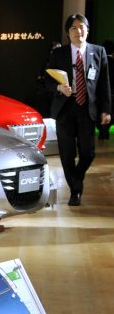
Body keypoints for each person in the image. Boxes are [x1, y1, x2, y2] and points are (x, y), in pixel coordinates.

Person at [45, 13, 111, 206]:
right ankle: (76, 191)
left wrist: (106, 109)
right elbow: (47, 81)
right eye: (73, 28)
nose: (78, 31)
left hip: (87, 109)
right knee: (67, 154)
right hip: (65, 108)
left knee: (88, 152)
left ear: (87, 30)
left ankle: (75, 177)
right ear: (68, 32)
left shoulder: (98, 52)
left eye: (81, 27)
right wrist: (59, 87)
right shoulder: (59, 53)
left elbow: (104, 84)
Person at [99, 39, 114, 141]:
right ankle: (105, 130)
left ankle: (101, 130)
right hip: (112, 92)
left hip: (100, 92)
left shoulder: (99, 61)